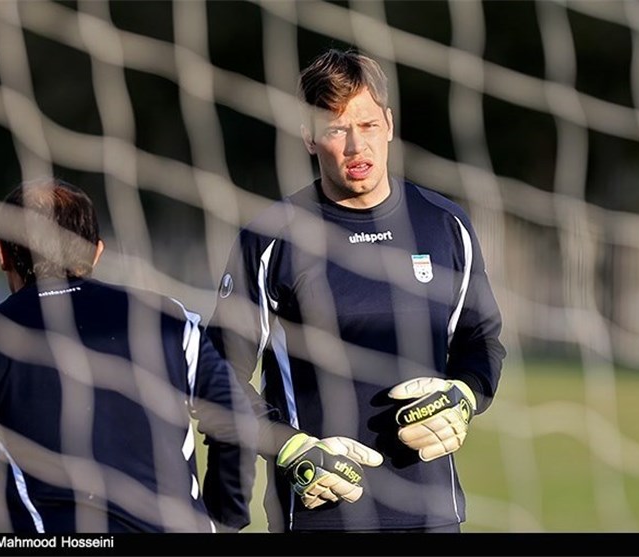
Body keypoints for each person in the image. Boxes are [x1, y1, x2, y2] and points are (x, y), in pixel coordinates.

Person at [206, 48, 506, 533]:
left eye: (366, 126)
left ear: (388, 124)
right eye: (335, 129)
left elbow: (481, 341)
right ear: (308, 137)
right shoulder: (271, 239)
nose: (355, 147)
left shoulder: (444, 225)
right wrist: (289, 447)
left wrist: (466, 396)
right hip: (317, 516)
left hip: (433, 517)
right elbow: (216, 373)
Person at [0, 177, 256, 533]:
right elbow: (236, 419)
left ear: (2, 255)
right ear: (96, 252)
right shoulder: (170, 320)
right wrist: (224, 520)